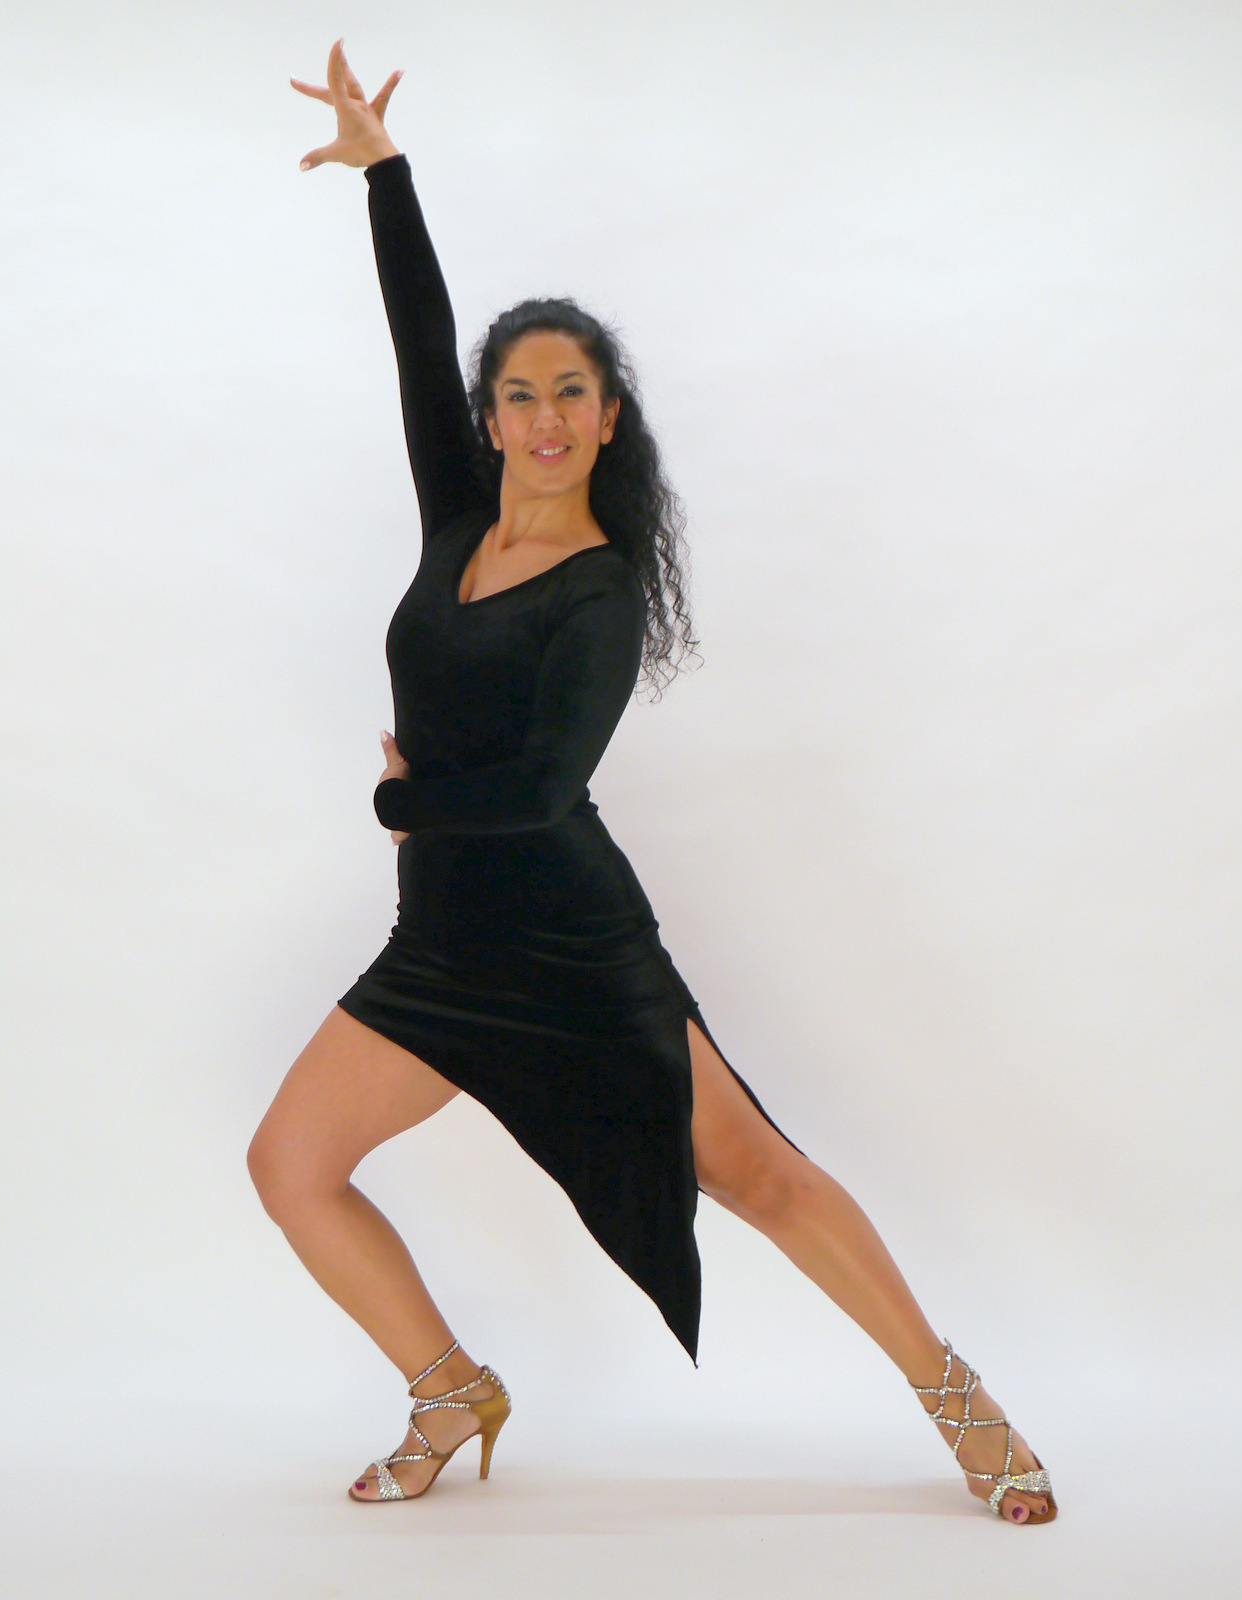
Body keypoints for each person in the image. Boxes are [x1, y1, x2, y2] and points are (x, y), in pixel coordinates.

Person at [247, 37, 1056, 1523]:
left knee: (757, 1176)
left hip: (569, 943)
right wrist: (387, 176)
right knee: (291, 1162)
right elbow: (416, 337)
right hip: (443, 951)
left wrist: (400, 804)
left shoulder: (601, 591)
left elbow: (542, 789)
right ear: (490, 417)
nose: (545, 417)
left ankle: (959, 1399)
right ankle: (449, 1387)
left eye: (573, 392)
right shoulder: (455, 523)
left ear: (609, 415)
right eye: (519, 394)